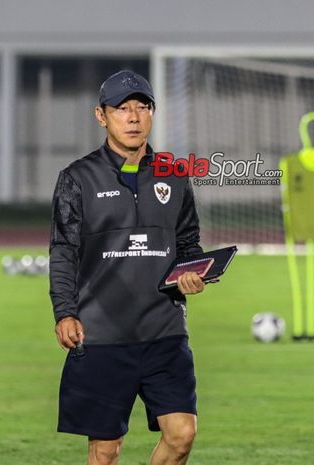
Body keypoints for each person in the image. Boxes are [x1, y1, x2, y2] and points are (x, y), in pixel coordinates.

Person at [49, 70, 206, 465]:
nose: (133, 117)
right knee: (105, 450)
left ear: (153, 114)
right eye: (122, 108)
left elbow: (188, 243)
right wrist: (65, 312)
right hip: (102, 334)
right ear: (101, 116)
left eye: (142, 107)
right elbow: (64, 250)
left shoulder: (175, 174)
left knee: (182, 435)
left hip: (164, 332)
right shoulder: (77, 179)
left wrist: (191, 272)